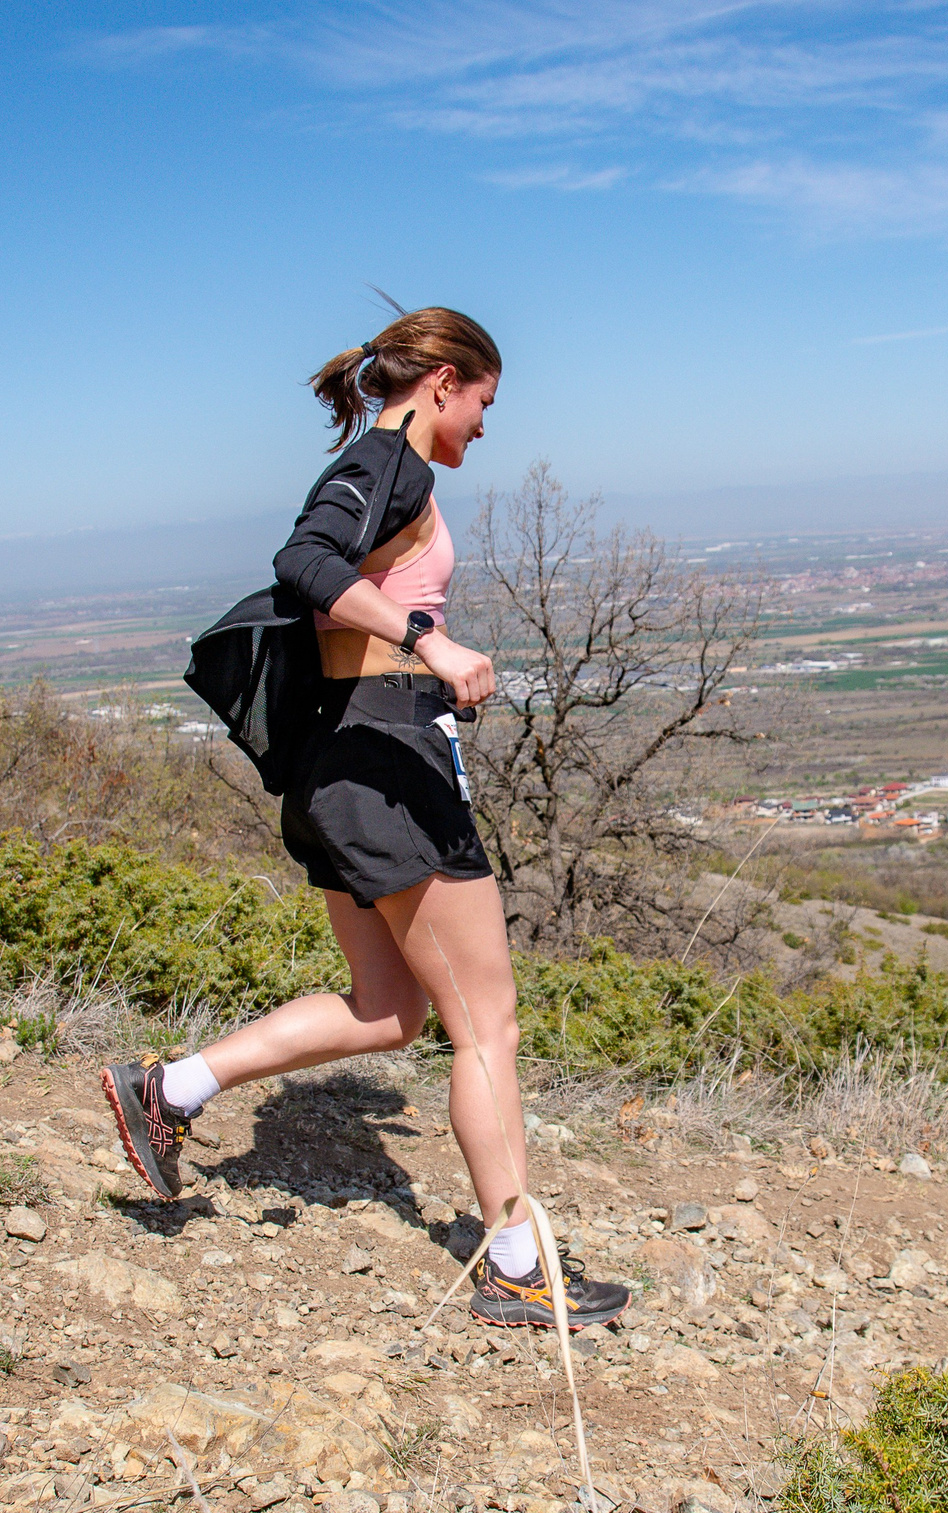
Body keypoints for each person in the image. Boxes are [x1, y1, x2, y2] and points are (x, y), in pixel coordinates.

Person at [100, 306, 629, 1332]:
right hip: (384, 766)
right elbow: (307, 563)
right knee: (489, 1024)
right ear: (443, 383)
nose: (484, 424)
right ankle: (516, 1262)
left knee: (391, 1007)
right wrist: (429, 641)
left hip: (341, 765)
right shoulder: (392, 462)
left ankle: (169, 1090)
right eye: (484, 402)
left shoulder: (381, 464)